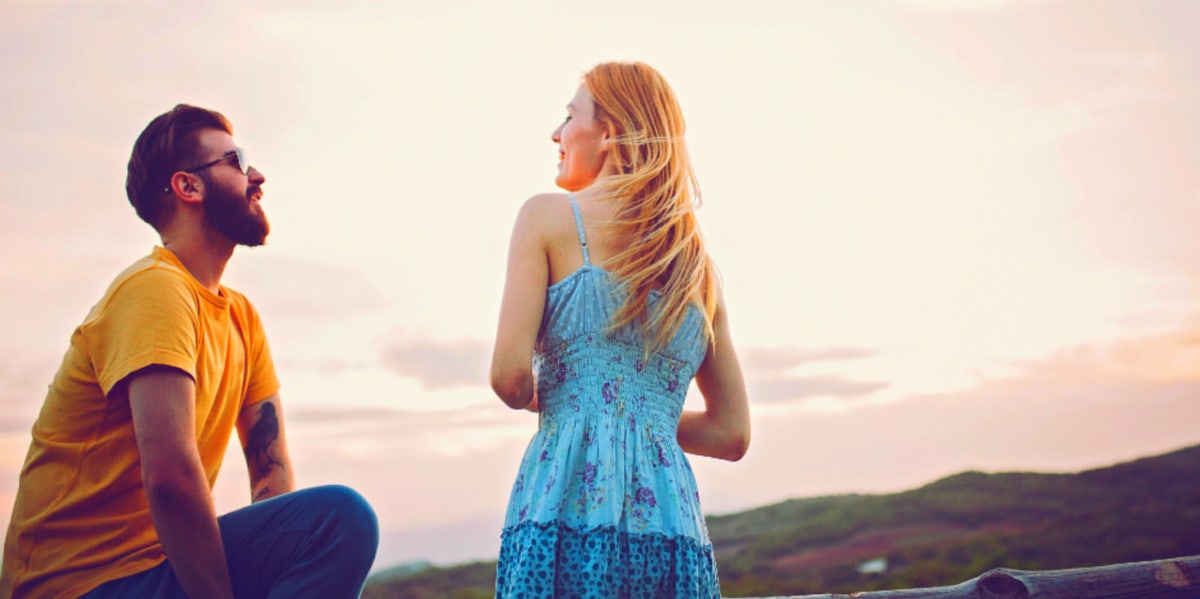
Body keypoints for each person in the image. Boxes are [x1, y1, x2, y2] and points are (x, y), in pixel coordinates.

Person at [0, 104, 378, 599]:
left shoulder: (241, 318)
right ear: (189, 187)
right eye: (237, 161)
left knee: (326, 525)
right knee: (339, 518)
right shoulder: (154, 290)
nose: (258, 176)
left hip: (156, 571)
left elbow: (271, 473)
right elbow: (172, 477)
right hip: (79, 585)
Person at [490, 62, 751, 598]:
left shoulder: (545, 217)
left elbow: (509, 378)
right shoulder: (695, 268)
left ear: (609, 132)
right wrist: (640, 414)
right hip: (672, 524)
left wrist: (581, 401)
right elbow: (732, 433)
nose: (556, 134)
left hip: (565, 507)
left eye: (569, 116)